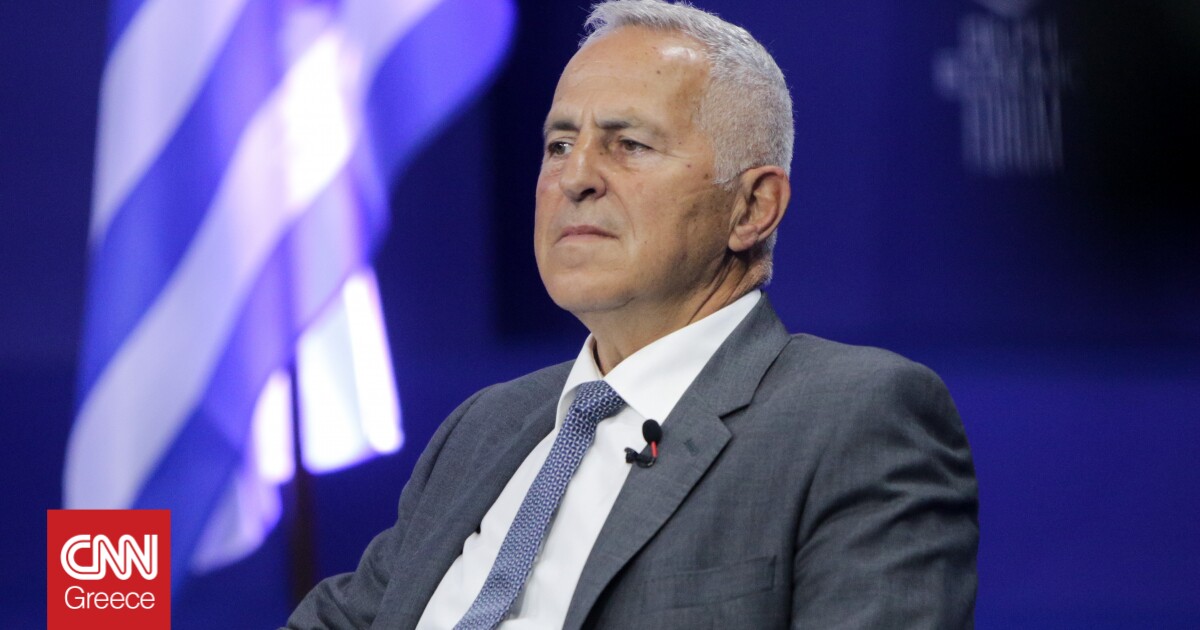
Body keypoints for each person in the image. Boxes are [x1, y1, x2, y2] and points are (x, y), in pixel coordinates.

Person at [286, 0, 978, 628]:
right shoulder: (485, 427)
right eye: (559, 145)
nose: (574, 177)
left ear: (752, 207)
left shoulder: (852, 418)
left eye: (630, 145)